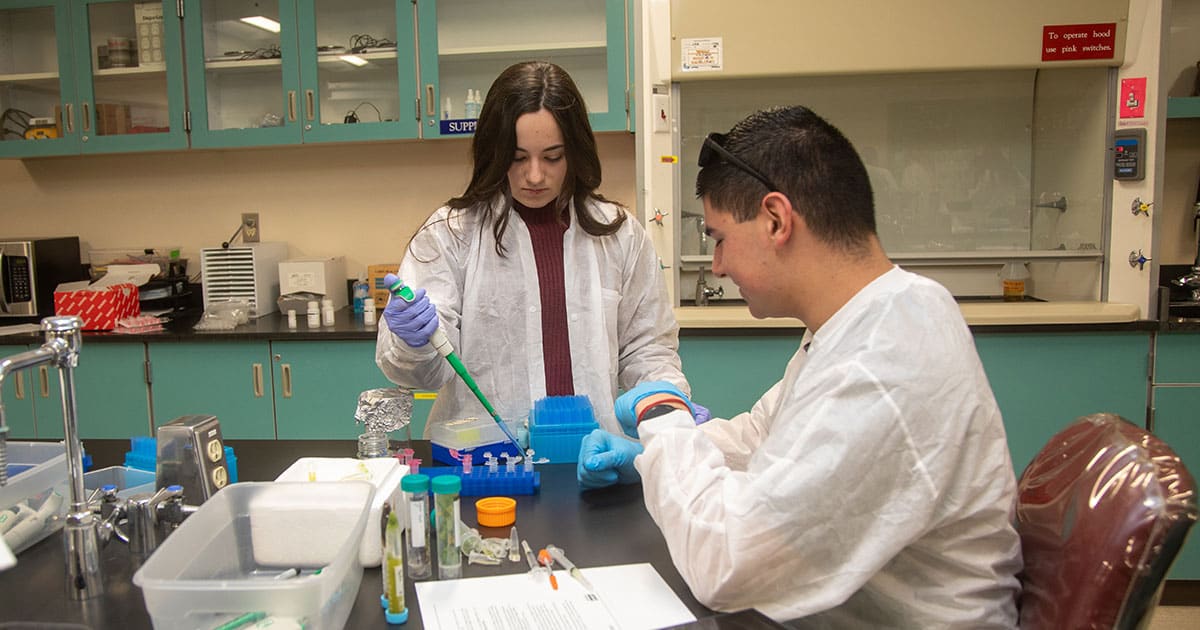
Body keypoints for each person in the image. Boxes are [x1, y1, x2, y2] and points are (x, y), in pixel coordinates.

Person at [577, 105, 1022, 627]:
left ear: (776, 220)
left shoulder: (883, 359)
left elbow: (725, 566)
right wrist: (647, 460)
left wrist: (662, 416)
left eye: (719, 239)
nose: (717, 266)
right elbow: (762, 436)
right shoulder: (879, 314)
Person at [376, 60, 697, 439]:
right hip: (483, 457)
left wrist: (666, 409)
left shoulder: (620, 235)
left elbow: (648, 350)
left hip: (592, 454)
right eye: (517, 157)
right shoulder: (450, 234)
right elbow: (422, 374)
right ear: (494, 152)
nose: (534, 175)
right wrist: (414, 342)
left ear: (574, 151)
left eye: (552, 157)